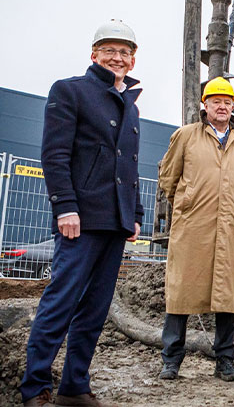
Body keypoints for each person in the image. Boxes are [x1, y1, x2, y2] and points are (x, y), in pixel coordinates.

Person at [20, 20, 143, 407]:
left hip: (116, 222)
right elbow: (55, 155)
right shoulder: (70, 90)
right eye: (109, 50)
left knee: (94, 310)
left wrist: (135, 213)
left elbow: (128, 166)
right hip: (80, 219)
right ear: (94, 54)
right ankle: (34, 386)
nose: (117, 57)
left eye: (124, 52)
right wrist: (66, 207)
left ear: (133, 60)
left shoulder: (131, 106)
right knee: (61, 302)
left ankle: (74, 387)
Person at [157, 77, 234, 382]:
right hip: (193, 226)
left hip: (230, 226)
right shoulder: (186, 136)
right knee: (181, 291)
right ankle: (171, 360)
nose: (222, 107)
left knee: (227, 294)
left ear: (232, 105)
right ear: (205, 105)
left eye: (227, 102)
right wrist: (189, 203)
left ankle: (225, 360)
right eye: (216, 102)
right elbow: (168, 179)